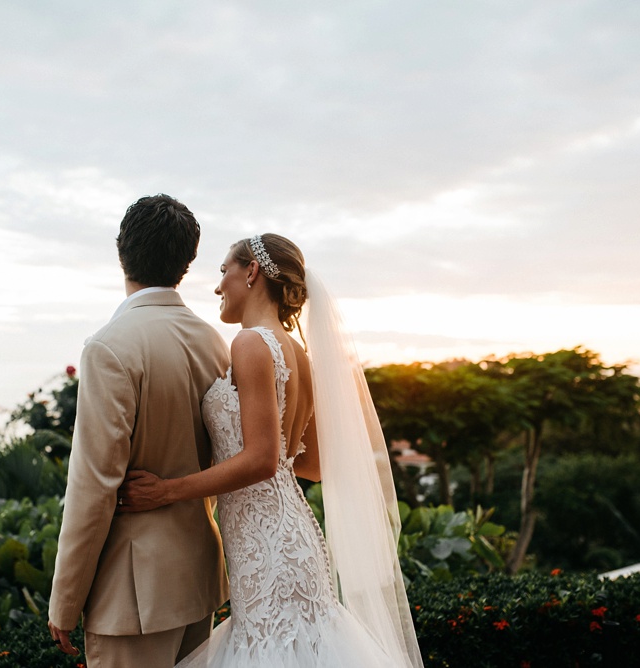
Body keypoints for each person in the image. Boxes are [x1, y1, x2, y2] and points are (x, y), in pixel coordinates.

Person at [118, 234, 424, 667]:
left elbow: (261, 460)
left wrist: (167, 491)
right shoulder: (299, 354)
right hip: (291, 536)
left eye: (224, 270)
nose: (219, 284)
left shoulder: (250, 344)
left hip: (270, 551)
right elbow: (312, 465)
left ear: (252, 271)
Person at [47, 194, 231, 668]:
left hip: (132, 595)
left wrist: (65, 601)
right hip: (197, 577)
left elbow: (94, 485)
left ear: (121, 250)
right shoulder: (212, 341)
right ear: (186, 263)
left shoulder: (109, 347)